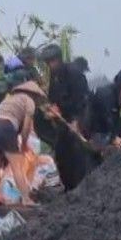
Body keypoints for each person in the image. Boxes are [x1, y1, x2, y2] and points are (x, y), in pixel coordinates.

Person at [0, 80, 46, 206]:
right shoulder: (29, 102)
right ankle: (26, 199)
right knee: (16, 166)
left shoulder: (9, 99)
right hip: (5, 127)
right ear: (35, 95)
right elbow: (26, 127)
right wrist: (23, 144)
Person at [39, 44, 91, 191]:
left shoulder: (75, 74)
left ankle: (80, 187)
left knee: (77, 152)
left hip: (79, 117)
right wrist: (52, 109)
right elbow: (53, 97)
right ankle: (68, 187)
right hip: (63, 119)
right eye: (48, 62)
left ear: (59, 59)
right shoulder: (54, 75)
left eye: (52, 61)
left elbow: (83, 101)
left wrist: (77, 121)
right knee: (62, 152)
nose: (50, 65)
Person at [88, 69, 121, 156]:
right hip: (97, 133)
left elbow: (117, 119)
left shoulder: (116, 96)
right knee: (117, 150)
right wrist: (114, 138)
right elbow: (107, 119)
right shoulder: (106, 95)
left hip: (107, 132)